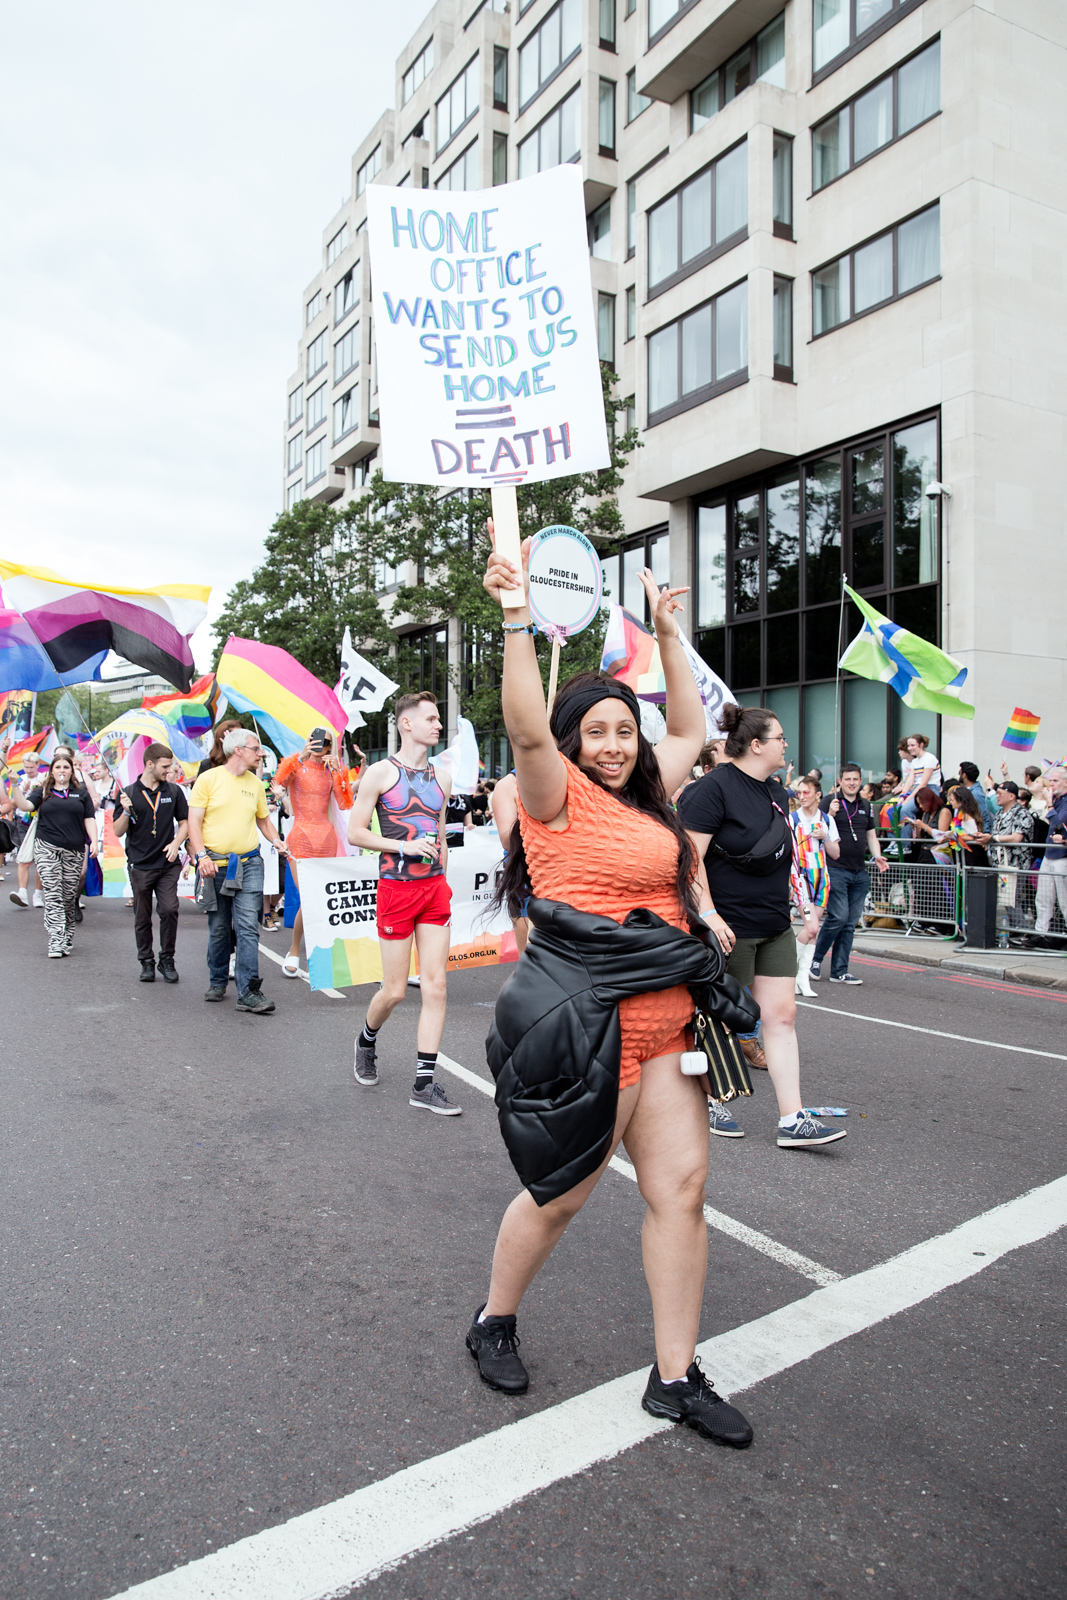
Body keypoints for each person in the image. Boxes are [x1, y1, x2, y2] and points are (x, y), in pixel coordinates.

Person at [468, 528, 754, 1450]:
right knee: (562, 1194)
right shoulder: (552, 796)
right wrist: (515, 617)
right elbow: (520, 725)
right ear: (569, 741)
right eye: (594, 731)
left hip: (669, 1026)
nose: (613, 745)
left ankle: (675, 1377)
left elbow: (688, 729)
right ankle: (494, 1320)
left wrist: (669, 635)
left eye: (621, 732)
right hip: (587, 1026)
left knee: (683, 1192)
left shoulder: (654, 792)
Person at [680, 706, 845, 1152]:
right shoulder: (709, 791)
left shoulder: (776, 790)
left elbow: (784, 856)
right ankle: (707, 1101)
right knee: (717, 1019)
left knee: (781, 1017)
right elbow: (689, 860)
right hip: (728, 927)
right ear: (756, 744)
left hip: (774, 924)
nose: (786, 745)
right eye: (780, 738)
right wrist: (709, 915)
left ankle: (792, 1117)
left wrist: (806, 909)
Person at [346, 691, 461, 1115]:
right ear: (406, 723)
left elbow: (441, 831)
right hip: (396, 889)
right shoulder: (379, 773)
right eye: (430, 718)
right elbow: (356, 833)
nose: (438, 725)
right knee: (394, 991)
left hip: (434, 891)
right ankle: (366, 1039)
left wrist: (442, 873)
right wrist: (404, 847)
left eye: (438, 719)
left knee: (436, 985)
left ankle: (424, 1084)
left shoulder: (442, 778)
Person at [187, 728, 289, 1012]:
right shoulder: (208, 779)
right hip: (214, 865)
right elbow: (194, 822)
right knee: (219, 928)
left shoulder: (256, 784)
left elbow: (263, 821)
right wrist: (201, 857)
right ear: (237, 750)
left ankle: (248, 992)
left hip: (249, 863)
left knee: (247, 928)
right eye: (256, 748)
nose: (262, 753)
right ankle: (217, 979)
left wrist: (277, 841)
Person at [273, 729, 352, 978]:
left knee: (322, 899)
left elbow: (345, 803)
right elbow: (279, 782)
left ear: (331, 746)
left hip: (327, 839)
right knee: (307, 899)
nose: (321, 746)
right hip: (300, 839)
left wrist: (339, 773)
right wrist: (300, 756)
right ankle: (294, 950)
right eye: (316, 741)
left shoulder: (332, 771)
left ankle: (323, 952)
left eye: (326, 743)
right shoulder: (297, 765)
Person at [112, 741, 189, 983]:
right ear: (149, 764)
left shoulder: (174, 792)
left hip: (167, 864)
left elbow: (185, 822)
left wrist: (177, 843)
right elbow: (117, 831)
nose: (169, 771)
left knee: (169, 909)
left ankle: (167, 958)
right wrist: (125, 811)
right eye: (165, 766)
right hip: (140, 865)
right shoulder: (128, 793)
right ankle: (146, 961)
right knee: (142, 916)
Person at [10, 751, 98, 957]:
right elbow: (25, 806)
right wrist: (15, 785)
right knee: (52, 893)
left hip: (74, 849)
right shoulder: (43, 791)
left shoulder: (81, 794)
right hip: (46, 847)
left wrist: (93, 840)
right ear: (51, 771)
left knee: (68, 896)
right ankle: (56, 939)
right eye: (57, 767)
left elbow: (89, 819)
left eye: (65, 767)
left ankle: (66, 933)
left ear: (72, 770)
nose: (62, 771)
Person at [810, 763, 890, 983]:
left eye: (855, 779)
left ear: (860, 780)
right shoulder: (830, 801)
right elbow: (815, 828)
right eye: (848, 779)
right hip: (836, 869)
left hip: (860, 871)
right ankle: (814, 961)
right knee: (838, 917)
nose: (852, 783)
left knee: (850, 923)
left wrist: (877, 856)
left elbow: (871, 835)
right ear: (840, 781)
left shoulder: (866, 805)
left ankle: (839, 971)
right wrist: (830, 814)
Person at [789, 776, 839, 996]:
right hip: (801, 880)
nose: (802, 797)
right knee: (811, 928)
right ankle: (796, 975)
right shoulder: (792, 819)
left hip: (821, 880)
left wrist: (825, 836)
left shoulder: (827, 819)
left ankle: (801, 978)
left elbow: (835, 854)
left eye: (806, 792)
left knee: (813, 932)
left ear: (818, 795)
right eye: (799, 792)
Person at [489, 770, 530, 955]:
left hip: (567, 875)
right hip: (524, 873)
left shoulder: (572, 774)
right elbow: (507, 840)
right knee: (530, 955)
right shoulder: (508, 785)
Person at [1031, 768, 1067, 945]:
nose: (1051, 784)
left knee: (1064, 900)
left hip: (1062, 857)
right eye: (1050, 781)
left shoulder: (1063, 802)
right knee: (1043, 898)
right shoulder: (1056, 800)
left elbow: (1058, 824)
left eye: (1055, 781)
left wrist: (1049, 804)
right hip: (1049, 854)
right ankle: (1041, 934)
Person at [7, 749, 46, 908]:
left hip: (39, 821)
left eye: (32, 767)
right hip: (23, 821)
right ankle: (22, 892)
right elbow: (12, 804)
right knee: (23, 856)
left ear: (37, 765)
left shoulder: (44, 779)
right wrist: (22, 790)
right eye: (26, 767)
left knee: (39, 858)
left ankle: (38, 894)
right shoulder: (19, 779)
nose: (29, 770)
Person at [958, 762, 994, 829]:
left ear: (964, 775)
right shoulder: (966, 791)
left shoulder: (976, 794)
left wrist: (983, 834)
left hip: (976, 835)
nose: (958, 776)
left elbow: (984, 816)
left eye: (959, 773)